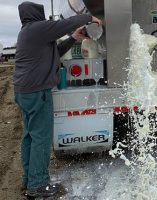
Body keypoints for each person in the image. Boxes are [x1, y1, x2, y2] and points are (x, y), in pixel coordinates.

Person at [13, 1, 102, 198]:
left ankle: (29, 180)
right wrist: (90, 18)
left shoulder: (29, 33)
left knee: (30, 136)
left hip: (25, 92)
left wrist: (73, 38)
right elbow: (66, 23)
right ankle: (38, 186)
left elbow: (55, 53)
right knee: (41, 138)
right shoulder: (36, 29)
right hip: (37, 93)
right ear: (36, 14)